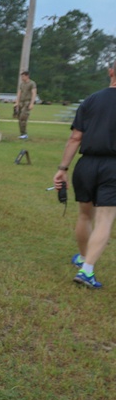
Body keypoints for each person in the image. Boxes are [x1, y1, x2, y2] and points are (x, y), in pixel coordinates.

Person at [52, 58, 116, 289]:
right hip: (112, 167)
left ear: (110, 72)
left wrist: (62, 169)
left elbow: (75, 137)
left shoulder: (91, 99)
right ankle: (87, 270)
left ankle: (82, 256)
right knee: (105, 219)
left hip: (85, 164)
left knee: (84, 215)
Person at [16, 71, 37, 139]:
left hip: (27, 102)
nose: (22, 78)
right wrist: (17, 102)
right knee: (19, 118)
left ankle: (24, 134)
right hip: (21, 103)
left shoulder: (32, 83)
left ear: (27, 76)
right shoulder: (22, 84)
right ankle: (22, 133)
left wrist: (32, 103)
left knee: (23, 117)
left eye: (23, 76)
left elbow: (34, 93)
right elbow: (19, 93)